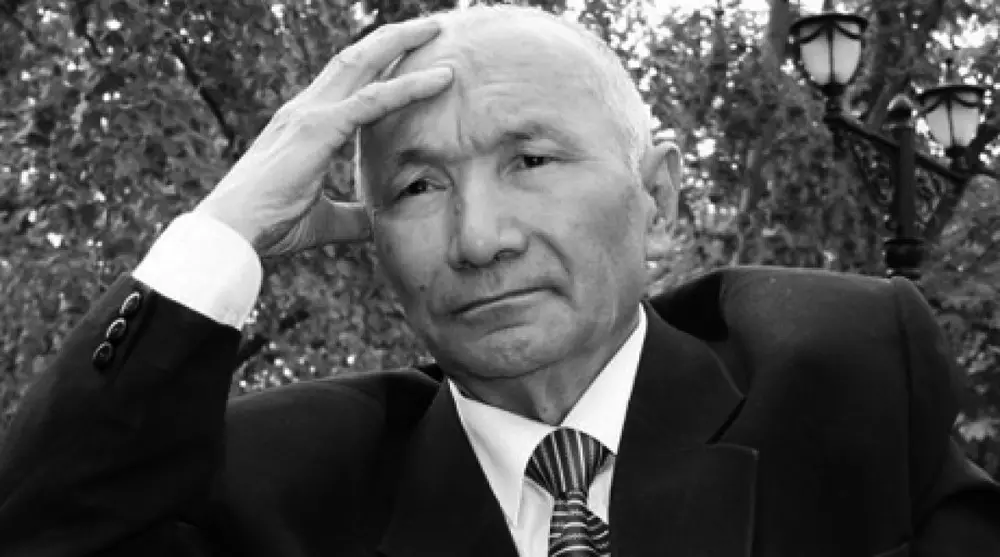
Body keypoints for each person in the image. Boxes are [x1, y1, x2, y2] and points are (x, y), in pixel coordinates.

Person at [0, 5, 998, 557]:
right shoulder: (275, 486)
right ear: (372, 241)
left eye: (530, 160)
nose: (478, 239)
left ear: (659, 197)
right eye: (418, 186)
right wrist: (224, 234)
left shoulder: (841, 381)